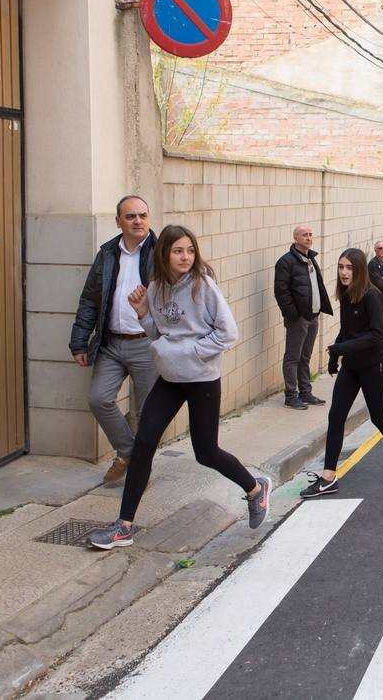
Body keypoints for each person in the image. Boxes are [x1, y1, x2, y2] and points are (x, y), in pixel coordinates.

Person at [88, 225, 269, 549]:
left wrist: (190, 353)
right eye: (178, 251)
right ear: (165, 255)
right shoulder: (156, 288)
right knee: (143, 443)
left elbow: (228, 333)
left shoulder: (203, 286)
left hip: (201, 379)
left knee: (206, 452)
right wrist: (143, 314)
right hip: (170, 379)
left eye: (189, 250)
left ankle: (255, 488)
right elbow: (159, 336)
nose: (185, 256)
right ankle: (124, 526)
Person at [301, 249, 383, 498]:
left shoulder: (372, 296)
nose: (344, 272)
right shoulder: (347, 294)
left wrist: (341, 348)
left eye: (349, 268)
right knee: (336, 416)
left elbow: (376, 337)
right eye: (341, 267)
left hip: (374, 367)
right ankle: (329, 477)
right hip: (351, 367)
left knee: (379, 417)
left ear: (359, 270)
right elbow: (348, 330)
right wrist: (335, 356)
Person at [69, 195, 158, 484]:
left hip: (147, 343)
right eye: (130, 216)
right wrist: (80, 341)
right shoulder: (107, 254)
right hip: (111, 342)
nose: (138, 221)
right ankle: (129, 452)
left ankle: (140, 471)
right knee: (99, 399)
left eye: (142, 215)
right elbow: (89, 300)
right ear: (118, 221)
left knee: (147, 413)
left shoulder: (160, 252)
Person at [273, 225, 333, 410]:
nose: (308, 238)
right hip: (298, 319)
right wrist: (294, 315)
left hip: (313, 316)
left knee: (305, 356)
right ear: (295, 239)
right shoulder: (286, 262)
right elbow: (281, 292)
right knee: (293, 357)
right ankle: (291, 395)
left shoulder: (310, 259)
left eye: (310, 235)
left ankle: (305, 393)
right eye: (304, 235)